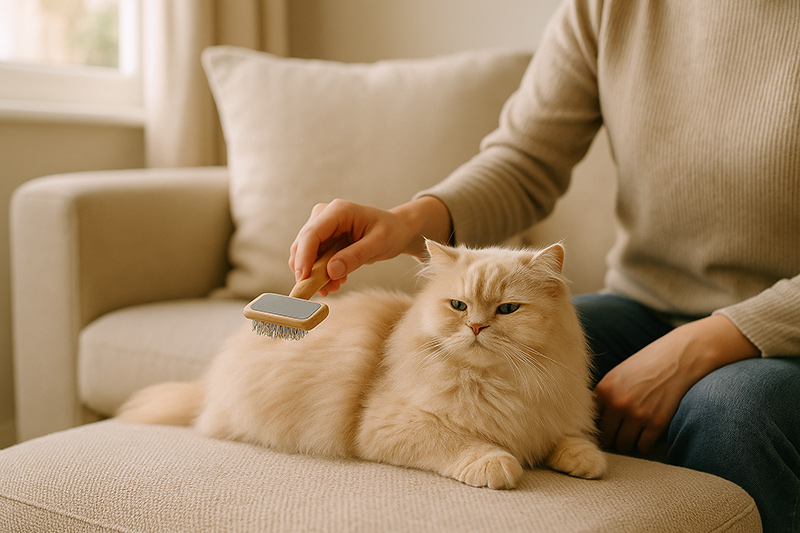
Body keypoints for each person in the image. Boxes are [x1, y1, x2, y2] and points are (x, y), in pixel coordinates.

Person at [289, 1, 800, 530]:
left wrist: (706, 343)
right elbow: (525, 160)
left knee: (735, 412)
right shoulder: (606, 8)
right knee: (483, 364)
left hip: (788, 328)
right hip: (647, 302)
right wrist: (406, 222)